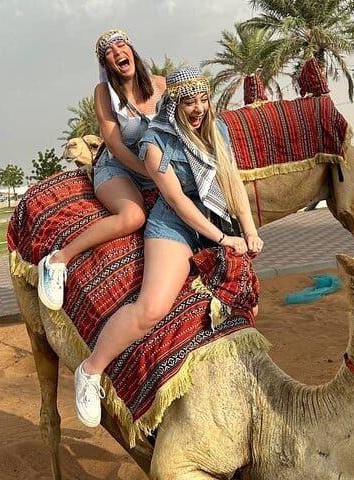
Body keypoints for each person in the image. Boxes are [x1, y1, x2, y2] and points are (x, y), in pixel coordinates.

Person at [73, 65, 264, 427]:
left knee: (246, 298)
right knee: (152, 308)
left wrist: (249, 229)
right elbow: (177, 201)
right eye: (189, 102)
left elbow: (231, 180)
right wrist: (223, 239)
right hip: (176, 223)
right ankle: (91, 370)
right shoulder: (154, 143)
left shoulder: (217, 129)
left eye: (203, 99)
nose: (198, 108)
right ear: (174, 103)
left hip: (217, 217)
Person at [37, 29, 166, 310]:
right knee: (133, 216)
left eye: (120, 45)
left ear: (131, 49)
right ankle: (58, 259)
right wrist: (152, 174)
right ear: (106, 64)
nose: (117, 52)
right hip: (119, 166)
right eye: (109, 52)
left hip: (156, 164)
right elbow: (115, 144)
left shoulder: (160, 85)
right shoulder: (104, 93)